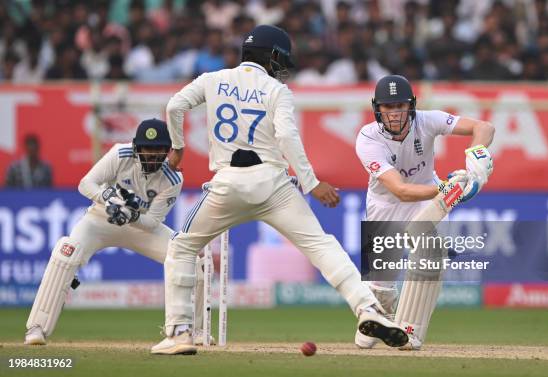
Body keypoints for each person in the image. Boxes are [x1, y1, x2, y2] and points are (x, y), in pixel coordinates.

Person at [152, 24, 408, 355]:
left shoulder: (211, 80)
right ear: (272, 56)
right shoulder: (276, 90)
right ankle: (367, 309)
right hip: (273, 184)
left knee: (182, 248)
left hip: (227, 183)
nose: (283, 66)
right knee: (322, 246)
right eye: (281, 59)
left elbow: (174, 106)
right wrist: (312, 183)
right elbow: (287, 137)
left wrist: (178, 147)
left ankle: (180, 333)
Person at [354, 75, 494, 350]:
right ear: (377, 109)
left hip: (427, 199)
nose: (394, 113)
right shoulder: (367, 138)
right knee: (380, 290)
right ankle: (380, 317)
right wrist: (448, 188)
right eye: (387, 107)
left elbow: (484, 126)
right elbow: (400, 190)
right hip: (386, 205)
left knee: (429, 255)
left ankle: (411, 332)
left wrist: (477, 153)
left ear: (411, 106)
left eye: (400, 106)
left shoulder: (427, 120)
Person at [24, 119, 184, 345]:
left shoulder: (173, 178)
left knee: (185, 256)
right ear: (138, 148)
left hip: (138, 226)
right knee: (66, 253)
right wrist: (108, 198)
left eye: (159, 149)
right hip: (100, 219)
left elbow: (153, 222)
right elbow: (86, 183)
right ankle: (36, 328)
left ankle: (187, 332)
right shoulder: (120, 153)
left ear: (167, 150)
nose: (154, 155)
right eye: (149, 149)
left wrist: (131, 215)